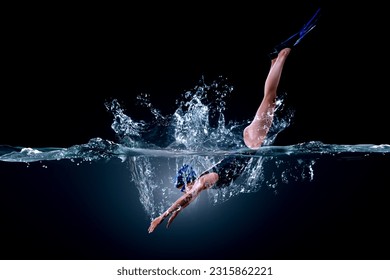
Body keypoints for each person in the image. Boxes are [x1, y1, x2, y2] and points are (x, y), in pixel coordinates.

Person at [148, 8, 321, 233]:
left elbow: (191, 194)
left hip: (251, 144)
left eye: (183, 187)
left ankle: (284, 52)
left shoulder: (204, 181)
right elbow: (190, 197)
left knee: (270, 97)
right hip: (248, 142)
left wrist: (164, 215)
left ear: (189, 182)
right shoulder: (200, 181)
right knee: (269, 99)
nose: (184, 192)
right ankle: (273, 58)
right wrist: (177, 211)